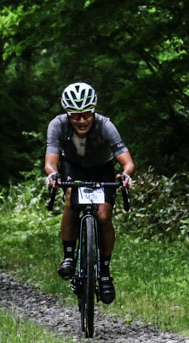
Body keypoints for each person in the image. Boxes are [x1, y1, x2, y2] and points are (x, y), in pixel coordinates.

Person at [43, 81, 134, 304]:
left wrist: (125, 175)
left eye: (86, 115)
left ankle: (104, 273)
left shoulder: (105, 126)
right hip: (74, 167)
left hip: (102, 169)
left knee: (103, 216)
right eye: (75, 116)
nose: (81, 120)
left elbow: (127, 162)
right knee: (71, 203)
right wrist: (53, 175)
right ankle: (68, 257)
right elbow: (50, 162)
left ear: (93, 112)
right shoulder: (57, 125)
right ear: (67, 114)